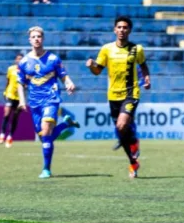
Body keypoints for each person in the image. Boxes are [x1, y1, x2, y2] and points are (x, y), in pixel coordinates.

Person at [86, 16, 152, 178]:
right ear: (114, 30)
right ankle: (133, 162)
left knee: (122, 125)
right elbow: (98, 71)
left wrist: (147, 78)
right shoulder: (106, 49)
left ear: (129, 30)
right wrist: (92, 66)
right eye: (119, 27)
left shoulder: (137, 49)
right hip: (113, 95)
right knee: (120, 130)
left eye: (125, 27)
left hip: (131, 93)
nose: (122, 30)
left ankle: (134, 143)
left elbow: (143, 65)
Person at [17, 27, 79, 179]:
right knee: (44, 137)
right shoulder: (24, 62)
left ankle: (46, 169)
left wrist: (69, 83)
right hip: (35, 103)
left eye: (39, 36)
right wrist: (22, 101)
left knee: (46, 132)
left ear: (43, 39)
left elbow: (64, 75)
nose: (36, 39)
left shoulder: (53, 59)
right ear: (29, 40)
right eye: (33, 37)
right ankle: (66, 124)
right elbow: (20, 83)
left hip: (51, 99)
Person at [0, 52, 24, 148]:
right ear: (16, 60)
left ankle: (10, 137)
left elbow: (26, 84)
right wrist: (5, 91)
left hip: (20, 97)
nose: (19, 60)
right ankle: (1, 135)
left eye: (21, 59)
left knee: (15, 117)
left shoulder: (25, 71)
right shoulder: (10, 69)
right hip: (10, 94)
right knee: (7, 113)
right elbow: (8, 81)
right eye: (18, 59)